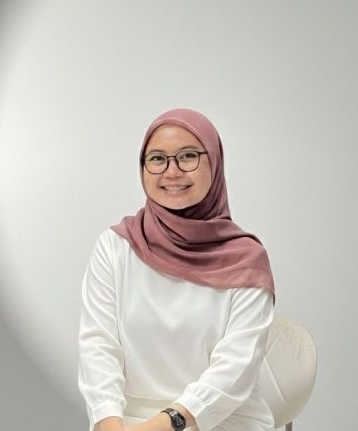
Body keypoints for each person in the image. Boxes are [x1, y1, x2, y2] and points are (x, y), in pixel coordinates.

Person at [78, 108, 276, 431]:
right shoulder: (115, 248)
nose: (172, 172)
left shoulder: (246, 260)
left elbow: (235, 367)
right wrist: (108, 423)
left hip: (221, 421)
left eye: (188, 156)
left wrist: (163, 424)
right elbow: (98, 346)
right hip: (128, 421)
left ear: (214, 162)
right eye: (157, 159)